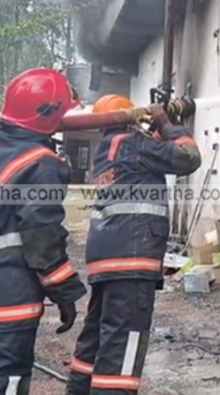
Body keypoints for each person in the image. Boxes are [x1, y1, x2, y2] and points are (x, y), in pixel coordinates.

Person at [66, 95, 202, 395]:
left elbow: (145, 163)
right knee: (122, 352)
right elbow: (189, 158)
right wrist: (168, 124)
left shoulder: (108, 149)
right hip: (131, 259)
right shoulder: (134, 145)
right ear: (128, 117)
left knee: (95, 341)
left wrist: (158, 130)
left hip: (106, 260)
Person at [0, 69, 87, 394]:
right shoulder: (41, 165)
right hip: (9, 295)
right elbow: (42, 237)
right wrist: (65, 293)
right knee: (8, 375)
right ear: (49, 116)